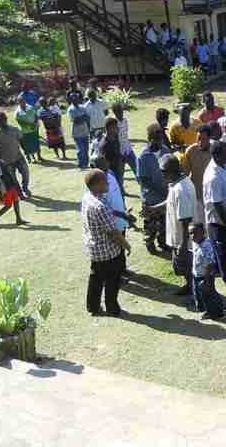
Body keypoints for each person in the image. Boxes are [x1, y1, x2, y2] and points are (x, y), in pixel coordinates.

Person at [82, 170, 132, 317]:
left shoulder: (88, 198)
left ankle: (93, 306)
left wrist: (122, 214)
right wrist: (126, 245)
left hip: (94, 249)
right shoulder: (100, 207)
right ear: (97, 185)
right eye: (105, 181)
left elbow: (108, 213)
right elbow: (114, 233)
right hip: (108, 251)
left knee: (96, 278)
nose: (108, 183)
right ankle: (112, 307)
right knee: (112, 280)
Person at [87, 156, 134, 283]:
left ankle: (123, 269)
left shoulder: (110, 174)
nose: (106, 166)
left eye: (106, 163)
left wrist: (124, 210)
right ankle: (118, 275)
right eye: (103, 166)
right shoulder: (97, 186)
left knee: (120, 248)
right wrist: (123, 215)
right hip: (111, 222)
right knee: (116, 248)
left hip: (121, 219)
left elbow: (118, 193)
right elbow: (105, 208)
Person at [203, 142, 226, 286]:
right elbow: (217, 205)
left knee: (224, 247)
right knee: (222, 250)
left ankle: (220, 268)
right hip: (218, 220)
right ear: (216, 156)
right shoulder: (213, 177)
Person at [159, 154, 196, 296]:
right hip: (179, 238)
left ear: (171, 171)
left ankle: (196, 294)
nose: (161, 175)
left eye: (163, 172)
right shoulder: (175, 184)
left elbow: (186, 220)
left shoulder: (182, 189)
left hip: (184, 240)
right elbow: (169, 202)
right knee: (182, 268)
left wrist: (183, 244)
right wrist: (154, 209)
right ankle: (189, 286)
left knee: (188, 267)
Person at [137, 124, 171, 254]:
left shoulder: (165, 151)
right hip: (150, 198)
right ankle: (150, 243)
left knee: (164, 223)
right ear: (149, 138)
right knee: (150, 225)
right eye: (156, 139)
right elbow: (143, 180)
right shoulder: (143, 156)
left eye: (161, 139)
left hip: (165, 196)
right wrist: (159, 190)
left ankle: (163, 242)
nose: (159, 142)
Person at [190, 223, 226, 319]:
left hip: (205, 276)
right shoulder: (195, 243)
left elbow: (211, 264)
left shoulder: (206, 246)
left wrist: (206, 280)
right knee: (206, 294)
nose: (192, 236)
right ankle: (216, 308)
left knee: (208, 295)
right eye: (190, 233)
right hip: (197, 274)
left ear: (203, 233)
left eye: (195, 233)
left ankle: (218, 313)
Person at [0, 112, 31, 198]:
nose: (2, 122)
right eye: (0, 120)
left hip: (18, 156)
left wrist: (26, 152)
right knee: (13, 179)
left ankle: (25, 187)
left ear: (6, 119)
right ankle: (20, 195)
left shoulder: (14, 129)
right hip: (6, 161)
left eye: (3, 120)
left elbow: (21, 140)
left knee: (26, 173)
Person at [182, 125, 214, 229]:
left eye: (203, 139)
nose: (200, 142)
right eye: (198, 138)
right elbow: (184, 174)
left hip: (212, 195)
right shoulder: (190, 151)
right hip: (196, 196)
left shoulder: (215, 150)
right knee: (197, 227)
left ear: (209, 138)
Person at [0, 145, 26, 228]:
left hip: (11, 185)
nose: (2, 153)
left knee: (16, 201)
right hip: (7, 188)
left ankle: (18, 219)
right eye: (0, 152)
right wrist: (1, 193)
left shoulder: (1, 161)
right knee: (8, 206)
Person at [95, 117, 125, 191]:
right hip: (111, 177)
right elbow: (104, 164)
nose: (118, 128)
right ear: (110, 128)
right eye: (116, 127)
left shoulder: (115, 139)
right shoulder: (104, 145)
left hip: (118, 174)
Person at [111, 103, 136, 178]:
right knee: (120, 175)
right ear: (115, 112)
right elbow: (114, 140)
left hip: (128, 149)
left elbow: (125, 135)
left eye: (122, 111)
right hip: (119, 152)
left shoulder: (125, 120)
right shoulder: (113, 123)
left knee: (137, 169)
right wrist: (121, 154)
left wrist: (127, 149)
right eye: (119, 112)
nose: (121, 114)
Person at [15, 96, 42, 164]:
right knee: (29, 145)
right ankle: (33, 158)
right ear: (18, 103)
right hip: (26, 131)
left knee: (36, 143)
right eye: (20, 102)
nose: (22, 103)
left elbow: (36, 115)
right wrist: (30, 125)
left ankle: (39, 156)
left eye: (23, 101)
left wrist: (35, 123)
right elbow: (20, 122)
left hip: (34, 128)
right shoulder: (17, 112)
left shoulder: (30, 107)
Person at [67, 95, 90, 170]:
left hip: (85, 131)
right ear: (71, 100)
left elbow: (87, 118)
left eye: (77, 98)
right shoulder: (70, 109)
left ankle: (86, 164)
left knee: (86, 149)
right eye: (74, 99)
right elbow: (75, 121)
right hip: (77, 133)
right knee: (80, 149)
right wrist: (82, 117)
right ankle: (81, 164)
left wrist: (80, 118)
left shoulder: (82, 107)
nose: (76, 100)